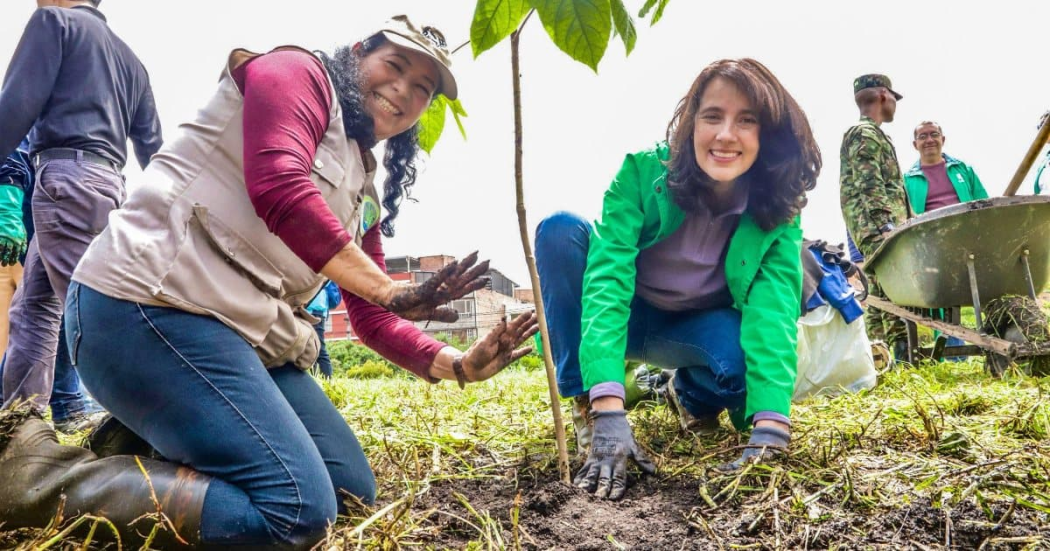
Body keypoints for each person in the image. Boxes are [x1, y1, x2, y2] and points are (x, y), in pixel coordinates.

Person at [0, 15, 538, 549]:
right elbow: (279, 184)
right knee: (296, 511)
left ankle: (142, 436)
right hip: (143, 308)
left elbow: (371, 319)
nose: (402, 90)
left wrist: (459, 366)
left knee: (350, 489)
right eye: (394, 66)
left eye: (422, 88)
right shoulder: (294, 72)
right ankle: (38, 478)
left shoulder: (361, 186)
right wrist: (392, 289)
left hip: (234, 338)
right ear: (357, 55)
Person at [535, 58, 820, 500]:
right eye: (713, 117)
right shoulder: (644, 173)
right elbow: (607, 280)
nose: (726, 135)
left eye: (747, 121)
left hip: (693, 327)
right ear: (690, 124)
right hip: (628, 314)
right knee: (559, 231)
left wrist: (771, 427)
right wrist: (608, 406)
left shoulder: (777, 211)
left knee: (744, 368)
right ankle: (585, 406)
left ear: (768, 136)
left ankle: (688, 394)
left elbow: (774, 312)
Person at [0, 0, 163, 428]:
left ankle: (150, 420)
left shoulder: (52, 22)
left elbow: (14, 108)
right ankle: (21, 423)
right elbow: (154, 152)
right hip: (109, 185)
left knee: (92, 312)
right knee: (33, 308)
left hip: (65, 180)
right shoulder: (132, 61)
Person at [839, 74, 910, 361]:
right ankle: (902, 355)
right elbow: (870, 183)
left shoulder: (872, 133)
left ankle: (879, 357)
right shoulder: (865, 133)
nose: (895, 104)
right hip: (877, 225)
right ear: (883, 95)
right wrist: (886, 226)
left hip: (876, 223)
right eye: (894, 97)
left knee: (879, 290)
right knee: (891, 287)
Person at [904, 121, 988, 215]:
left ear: (943, 140)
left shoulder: (964, 169)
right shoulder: (907, 181)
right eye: (923, 136)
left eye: (934, 134)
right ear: (915, 145)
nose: (929, 140)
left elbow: (985, 205)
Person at [306, 280, 342, 378]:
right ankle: (318, 379)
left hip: (313, 309)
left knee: (318, 348)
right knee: (311, 348)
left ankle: (327, 381)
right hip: (317, 309)